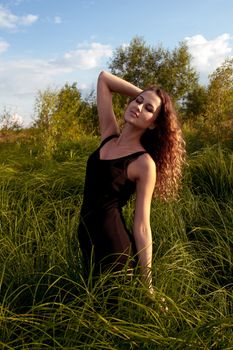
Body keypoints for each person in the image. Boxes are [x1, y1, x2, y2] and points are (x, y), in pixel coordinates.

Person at [77, 71, 185, 297]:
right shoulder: (109, 135)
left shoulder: (144, 163)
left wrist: (148, 286)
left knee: (108, 321)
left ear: (154, 124)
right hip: (87, 238)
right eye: (137, 101)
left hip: (114, 249)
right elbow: (104, 79)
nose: (139, 106)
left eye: (148, 109)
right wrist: (150, 96)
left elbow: (142, 226)